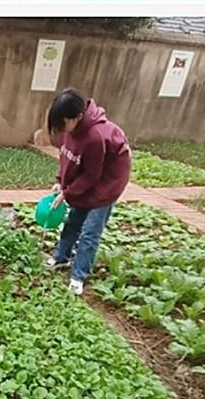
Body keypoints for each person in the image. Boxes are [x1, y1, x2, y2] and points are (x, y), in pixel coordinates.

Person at [45, 88, 131, 296]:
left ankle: (78, 276)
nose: (61, 129)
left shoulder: (94, 137)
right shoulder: (71, 130)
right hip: (90, 178)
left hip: (107, 184)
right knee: (73, 221)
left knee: (90, 232)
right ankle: (61, 257)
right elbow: (68, 158)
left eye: (63, 123)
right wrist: (60, 182)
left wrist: (67, 193)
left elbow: (91, 176)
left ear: (77, 117)